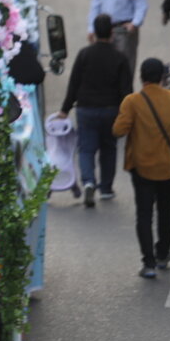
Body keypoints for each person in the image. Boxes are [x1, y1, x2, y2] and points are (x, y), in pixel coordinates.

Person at [113, 58, 170, 278]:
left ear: (141, 77)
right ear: (162, 78)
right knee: (166, 210)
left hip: (142, 166)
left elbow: (119, 130)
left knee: (144, 214)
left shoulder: (132, 101)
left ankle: (149, 263)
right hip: (169, 166)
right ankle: (163, 254)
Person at [56, 14, 132, 207]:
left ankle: (89, 181)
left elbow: (74, 83)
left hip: (86, 109)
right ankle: (106, 188)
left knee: (86, 149)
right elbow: (126, 91)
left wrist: (65, 109)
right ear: (112, 33)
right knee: (109, 148)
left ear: (95, 33)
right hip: (111, 110)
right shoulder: (120, 58)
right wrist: (128, 115)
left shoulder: (84, 54)